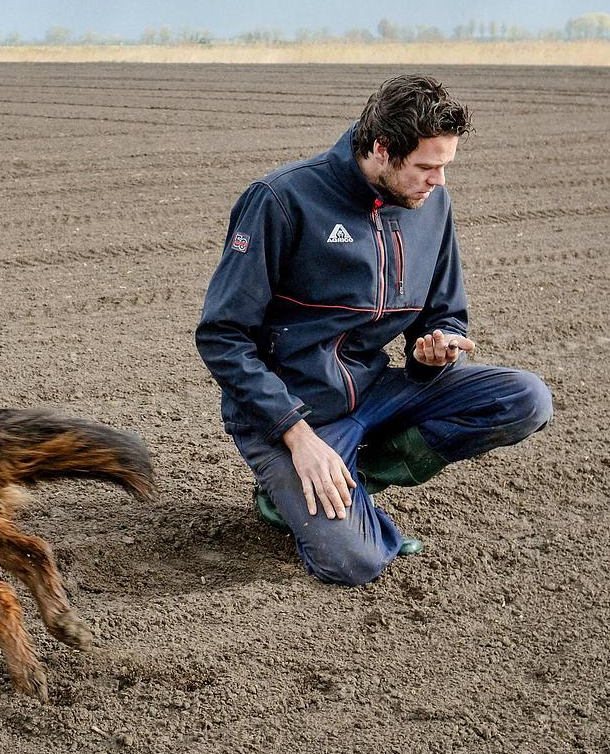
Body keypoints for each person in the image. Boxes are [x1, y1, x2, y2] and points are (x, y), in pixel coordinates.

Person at [196, 74, 553, 586]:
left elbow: (445, 310)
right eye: (427, 167)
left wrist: (437, 347)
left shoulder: (430, 204)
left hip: (376, 388)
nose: (439, 182)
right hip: (295, 411)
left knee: (525, 399)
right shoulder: (283, 200)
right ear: (382, 150)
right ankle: (291, 486)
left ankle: (352, 479)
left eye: (446, 166)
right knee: (353, 563)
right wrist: (296, 435)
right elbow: (221, 335)